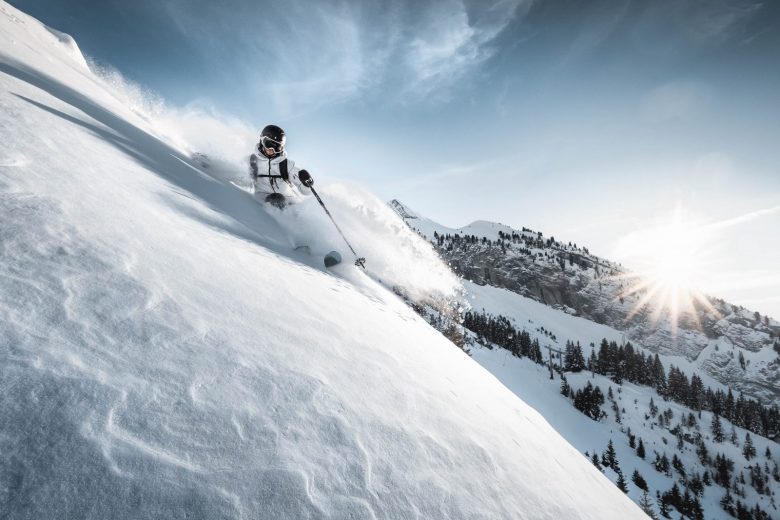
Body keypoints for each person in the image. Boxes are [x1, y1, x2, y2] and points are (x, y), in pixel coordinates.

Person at [249, 124, 314, 208]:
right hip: (262, 202)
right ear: (261, 140)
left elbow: (306, 192)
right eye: (268, 144)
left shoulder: (285, 165)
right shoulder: (253, 161)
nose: (271, 150)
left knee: (278, 199)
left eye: (277, 147)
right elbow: (240, 178)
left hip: (289, 203)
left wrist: (307, 182)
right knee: (275, 198)